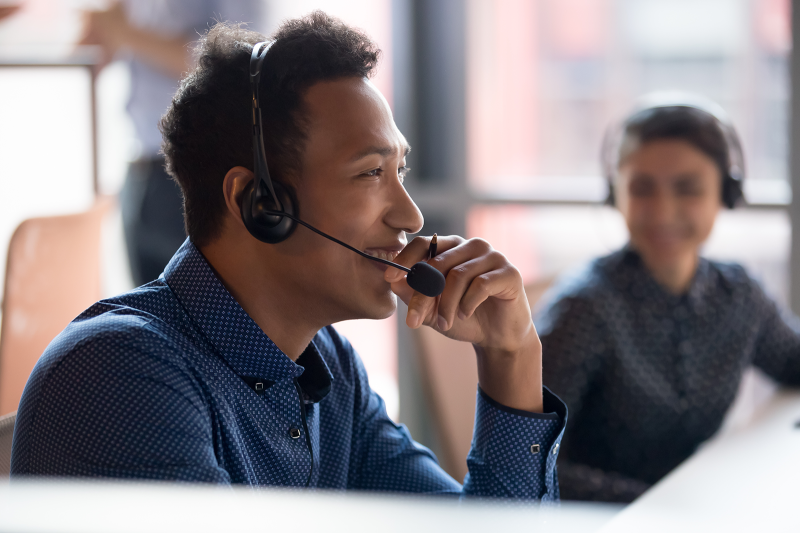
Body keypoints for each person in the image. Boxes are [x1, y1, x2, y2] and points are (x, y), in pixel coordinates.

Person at [12, 13, 566, 501]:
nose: (411, 217)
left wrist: (511, 357)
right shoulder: (121, 376)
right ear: (259, 203)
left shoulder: (326, 369)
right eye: (371, 173)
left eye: (400, 171)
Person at [536, 97, 800, 503]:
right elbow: (531, 464)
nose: (662, 211)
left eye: (688, 188)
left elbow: (793, 361)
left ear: (725, 193)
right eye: (642, 188)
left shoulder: (739, 295)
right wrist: (662, 503)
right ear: (615, 193)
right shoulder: (584, 309)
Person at [79, 0, 262, 286]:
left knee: (209, 307)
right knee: (145, 314)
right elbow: (95, 52)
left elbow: (239, 59)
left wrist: (126, 32)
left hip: (200, 169)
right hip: (139, 168)